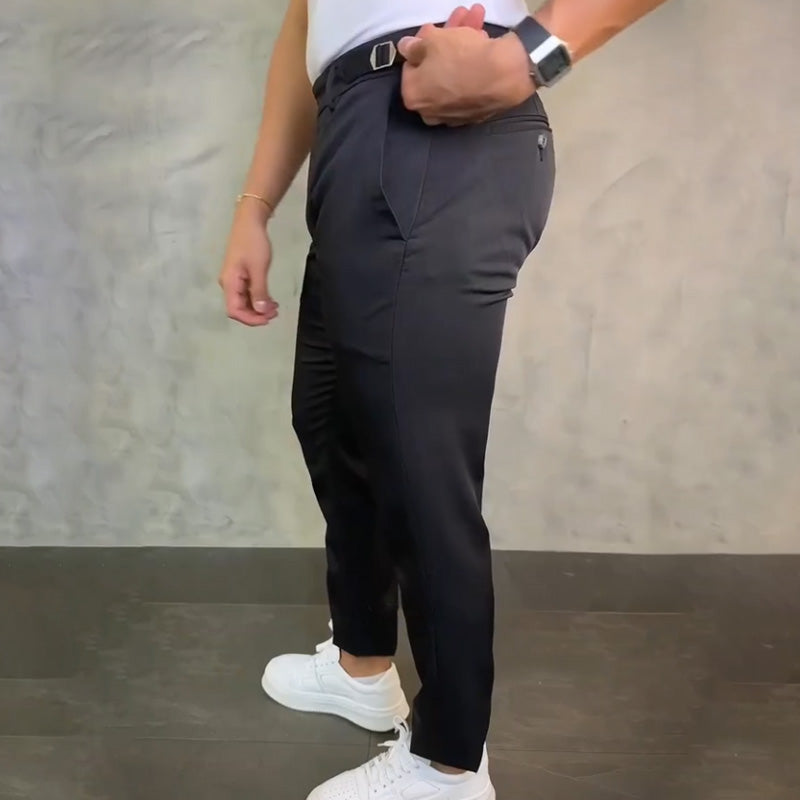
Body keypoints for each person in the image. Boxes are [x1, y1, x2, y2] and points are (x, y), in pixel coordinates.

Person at [218, 2, 669, 798]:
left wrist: (530, 54)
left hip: (438, 122)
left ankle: (448, 763)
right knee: (332, 420)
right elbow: (306, 24)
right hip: (352, 129)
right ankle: (362, 665)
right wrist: (255, 204)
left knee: (419, 465)